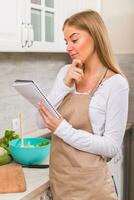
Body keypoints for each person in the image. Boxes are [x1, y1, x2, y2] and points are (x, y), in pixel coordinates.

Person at [38, 10, 129, 200]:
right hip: (60, 184)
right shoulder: (66, 72)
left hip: (93, 189)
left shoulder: (116, 84)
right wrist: (64, 85)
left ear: (95, 36)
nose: (68, 47)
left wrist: (63, 129)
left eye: (74, 39)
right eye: (66, 42)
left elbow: (112, 146)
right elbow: (40, 121)